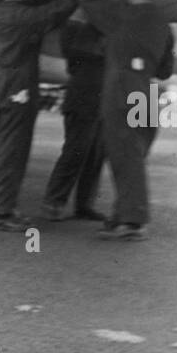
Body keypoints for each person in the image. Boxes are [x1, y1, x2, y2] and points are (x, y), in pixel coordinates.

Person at [0, 0, 97, 230]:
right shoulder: (21, 17)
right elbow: (57, 9)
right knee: (13, 152)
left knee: (6, 150)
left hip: (3, 83)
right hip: (18, 88)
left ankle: (4, 208)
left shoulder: (5, 10)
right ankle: (2, 214)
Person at [81, 0, 173, 240]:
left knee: (124, 157)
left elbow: (87, 1)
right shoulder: (163, 23)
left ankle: (132, 222)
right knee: (131, 157)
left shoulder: (126, 15)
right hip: (147, 92)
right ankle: (123, 216)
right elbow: (166, 69)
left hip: (122, 92)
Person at [40, 12, 106, 220]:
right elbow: (78, 53)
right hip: (83, 100)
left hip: (99, 100)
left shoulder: (92, 31)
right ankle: (53, 202)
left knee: (94, 155)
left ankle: (84, 204)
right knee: (75, 151)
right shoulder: (76, 29)